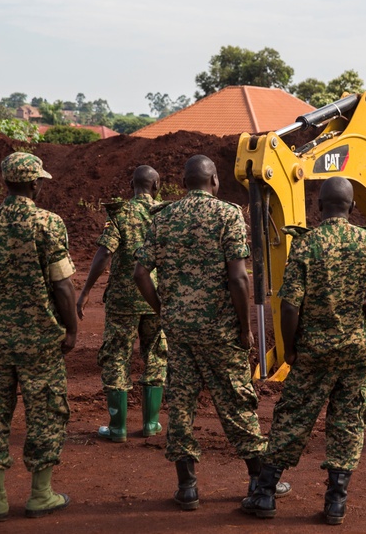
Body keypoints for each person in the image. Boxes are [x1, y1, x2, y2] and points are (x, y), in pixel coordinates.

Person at [241, 177, 366, 525]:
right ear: (352, 207)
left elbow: (289, 306)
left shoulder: (307, 245)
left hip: (314, 351)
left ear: (318, 206)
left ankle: (265, 494)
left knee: (293, 417)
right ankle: (336, 504)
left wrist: (291, 350)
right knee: (347, 423)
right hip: (356, 351)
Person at [133, 155, 290, 511]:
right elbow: (238, 277)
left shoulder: (163, 218)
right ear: (215, 180)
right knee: (236, 401)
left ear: (184, 182)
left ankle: (187, 487)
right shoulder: (228, 215)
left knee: (182, 404)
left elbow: (140, 274)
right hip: (220, 330)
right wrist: (244, 327)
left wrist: (164, 310)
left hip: (179, 331)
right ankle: (258, 480)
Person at [0, 152, 77, 521]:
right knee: (45, 411)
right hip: (40, 339)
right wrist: (72, 328)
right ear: (33, 183)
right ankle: (40, 494)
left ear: (5, 182)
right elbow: (62, 285)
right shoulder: (48, 223)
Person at [77, 165, 168, 443]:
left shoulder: (120, 214)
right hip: (157, 299)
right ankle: (151, 424)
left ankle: (117, 429)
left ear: (132, 184)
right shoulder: (166, 215)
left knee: (117, 357)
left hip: (123, 301)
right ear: (157, 186)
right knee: (155, 356)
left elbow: (104, 253)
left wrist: (86, 290)